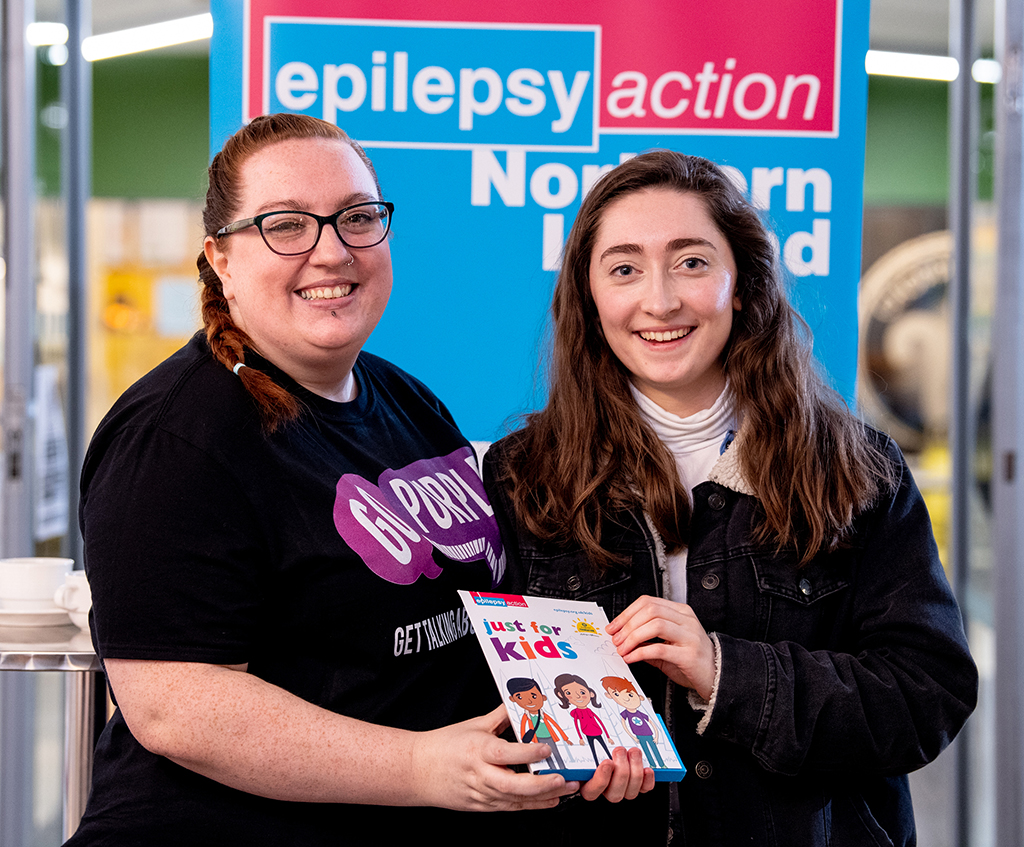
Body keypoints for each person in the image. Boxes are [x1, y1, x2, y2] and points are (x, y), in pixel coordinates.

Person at [66, 113, 650, 846]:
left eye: (356, 217)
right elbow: (177, 707)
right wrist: (421, 766)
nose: (331, 250)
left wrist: (575, 722)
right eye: (286, 225)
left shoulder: (407, 402)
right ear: (221, 256)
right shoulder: (176, 436)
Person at [483, 150, 979, 845]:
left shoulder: (856, 469)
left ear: (742, 283)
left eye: (691, 262)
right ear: (590, 299)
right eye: (624, 268)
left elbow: (928, 694)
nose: (659, 300)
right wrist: (556, 763)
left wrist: (725, 672)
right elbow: (481, 700)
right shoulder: (521, 474)